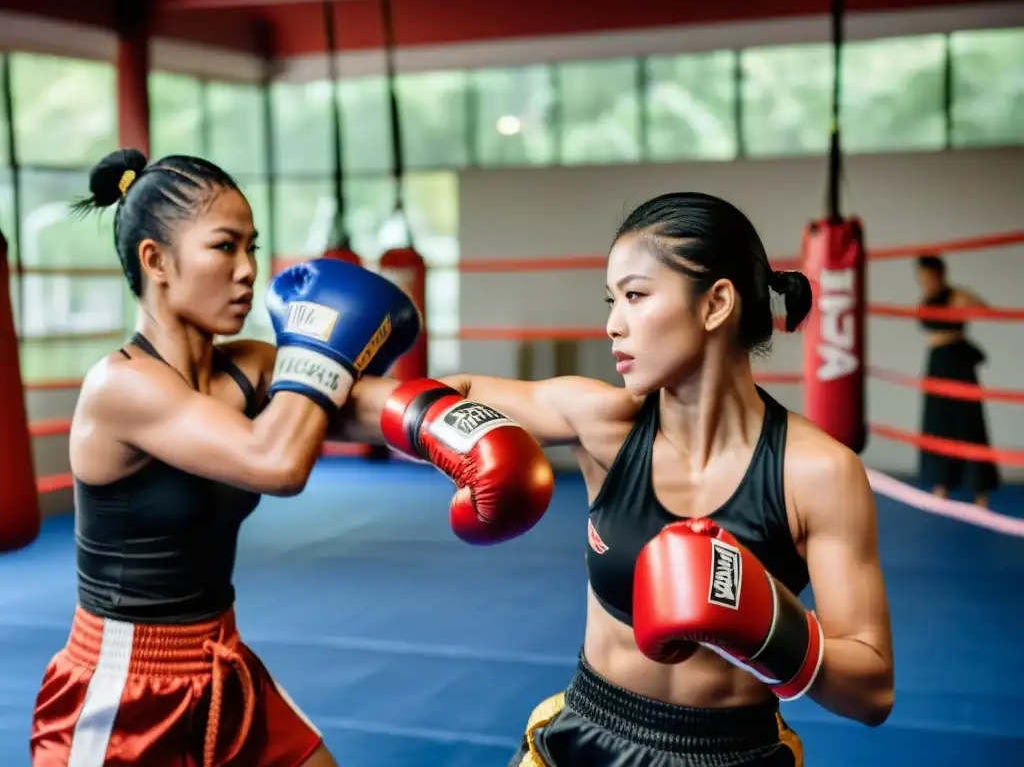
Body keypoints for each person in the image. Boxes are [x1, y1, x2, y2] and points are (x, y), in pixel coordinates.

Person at [340, 192, 895, 766]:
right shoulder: (603, 424)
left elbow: (873, 690)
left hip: (732, 755)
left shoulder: (815, 472)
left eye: (635, 296)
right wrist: (293, 383)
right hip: (586, 737)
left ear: (716, 304)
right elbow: (441, 395)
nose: (612, 325)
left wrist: (771, 628)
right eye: (611, 300)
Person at [29, 147, 433, 767]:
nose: (249, 270)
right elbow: (277, 461)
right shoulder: (121, 386)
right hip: (122, 693)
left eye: (253, 247)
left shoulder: (250, 368)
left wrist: (545, 416)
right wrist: (324, 355)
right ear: (155, 260)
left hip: (221, 664)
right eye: (225, 247)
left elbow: (389, 405)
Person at [915, 253, 999, 506]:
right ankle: (942, 485)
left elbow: (988, 312)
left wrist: (964, 300)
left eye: (929, 277)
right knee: (938, 425)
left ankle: (980, 492)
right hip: (936, 363)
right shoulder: (927, 298)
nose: (926, 282)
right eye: (922, 278)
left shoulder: (956, 295)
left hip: (957, 362)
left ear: (941, 274)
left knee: (969, 424)